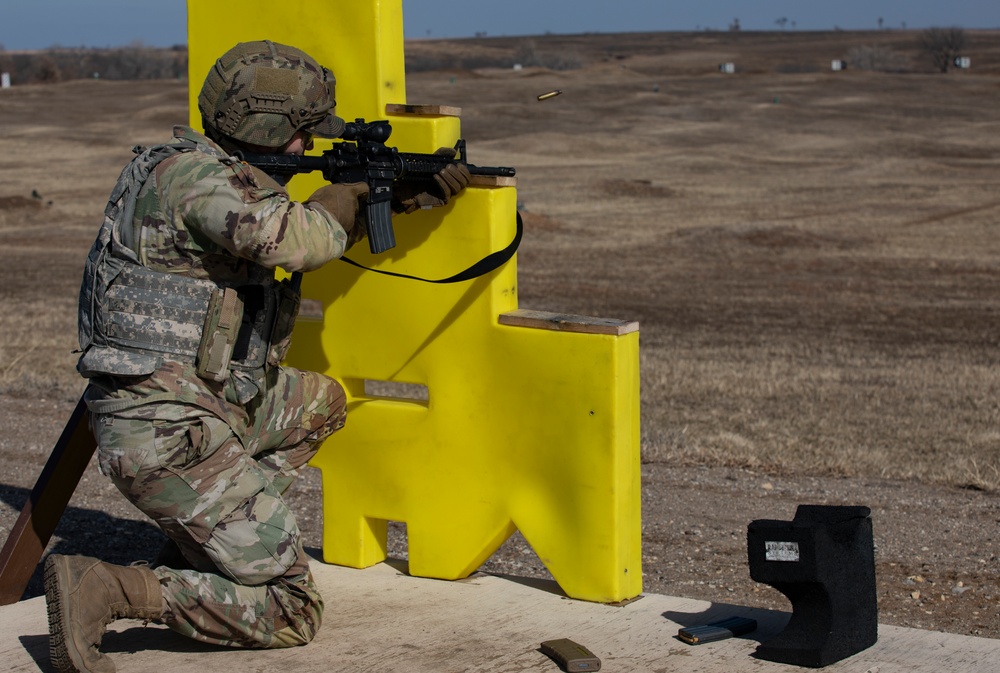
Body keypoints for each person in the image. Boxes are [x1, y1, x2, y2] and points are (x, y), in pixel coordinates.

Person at [44, 40, 470, 673]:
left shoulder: (210, 171)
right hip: (164, 431)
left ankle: (213, 546)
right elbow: (291, 237)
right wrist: (349, 195)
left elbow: (284, 223)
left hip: (198, 404)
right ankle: (112, 589)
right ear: (264, 127)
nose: (306, 147)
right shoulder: (193, 178)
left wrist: (392, 195)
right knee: (291, 609)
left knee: (318, 403)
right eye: (299, 133)